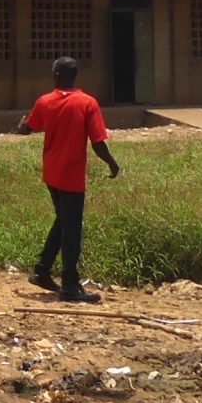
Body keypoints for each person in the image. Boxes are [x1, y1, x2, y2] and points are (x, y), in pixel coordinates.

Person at [15, 56, 120, 304]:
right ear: (75, 76)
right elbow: (98, 143)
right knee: (72, 230)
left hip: (51, 173)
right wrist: (113, 164)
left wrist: (21, 125)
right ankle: (70, 286)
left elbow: (28, 127)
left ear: (56, 76)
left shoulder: (45, 101)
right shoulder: (87, 103)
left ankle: (41, 271)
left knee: (63, 220)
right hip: (72, 176)